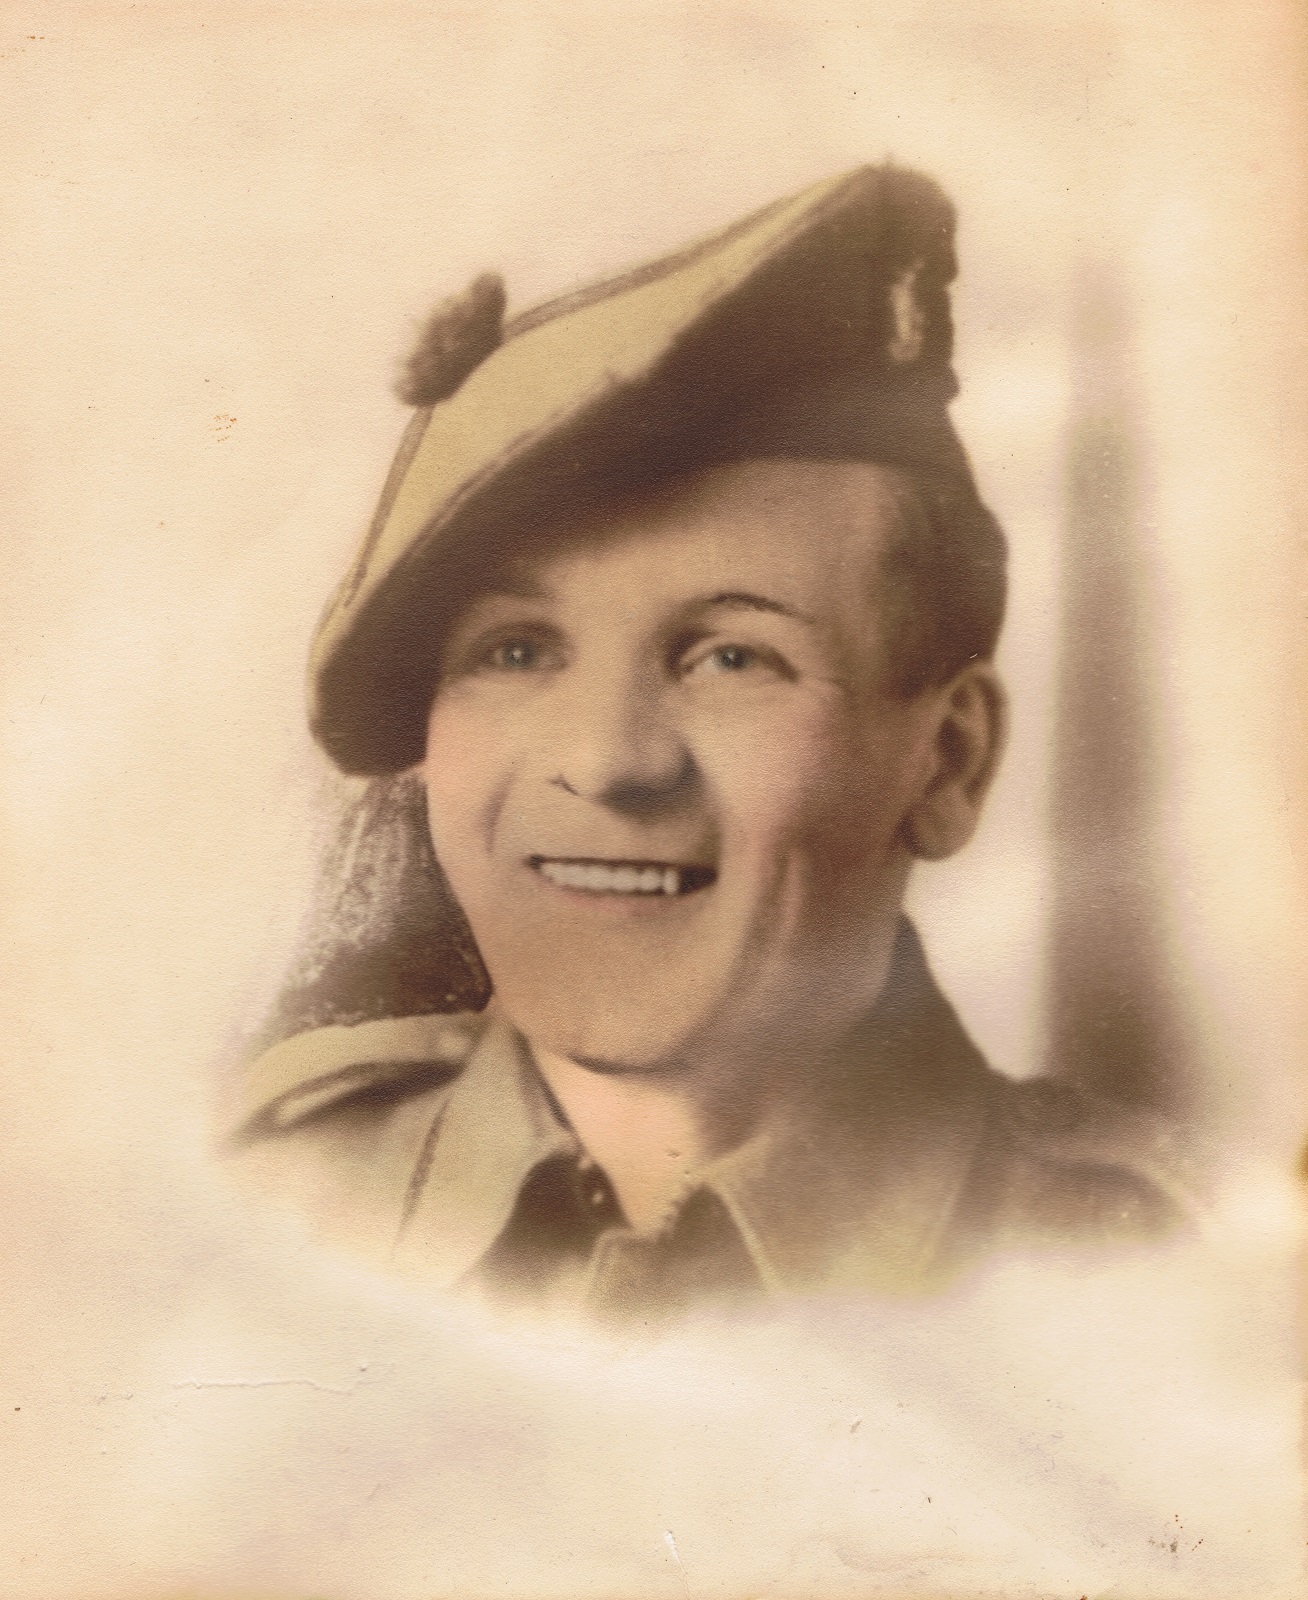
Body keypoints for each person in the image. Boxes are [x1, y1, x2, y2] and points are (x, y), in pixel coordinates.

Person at [225, 163, 1192, 1326]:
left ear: (948, 764)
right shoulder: (257, 1221)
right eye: (516, 650)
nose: (604, 761)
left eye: (732, 658)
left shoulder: (1163, 1280)